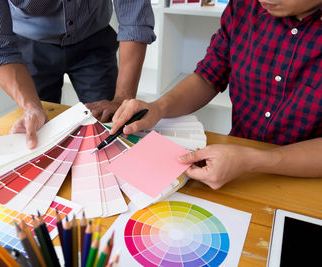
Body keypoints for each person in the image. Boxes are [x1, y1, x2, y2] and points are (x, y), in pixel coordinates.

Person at [110, 0, 322, 189]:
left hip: (307, 179)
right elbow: (208, 77)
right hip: (236, 168)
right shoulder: (244, 7)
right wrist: (158, 108)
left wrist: (253, 160)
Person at [0, 0, 156, 148]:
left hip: (94, 37)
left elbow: (134, 20)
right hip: (29, 44)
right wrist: (31, 107)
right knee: (40, 132)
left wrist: (122, 98)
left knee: (111, 123)